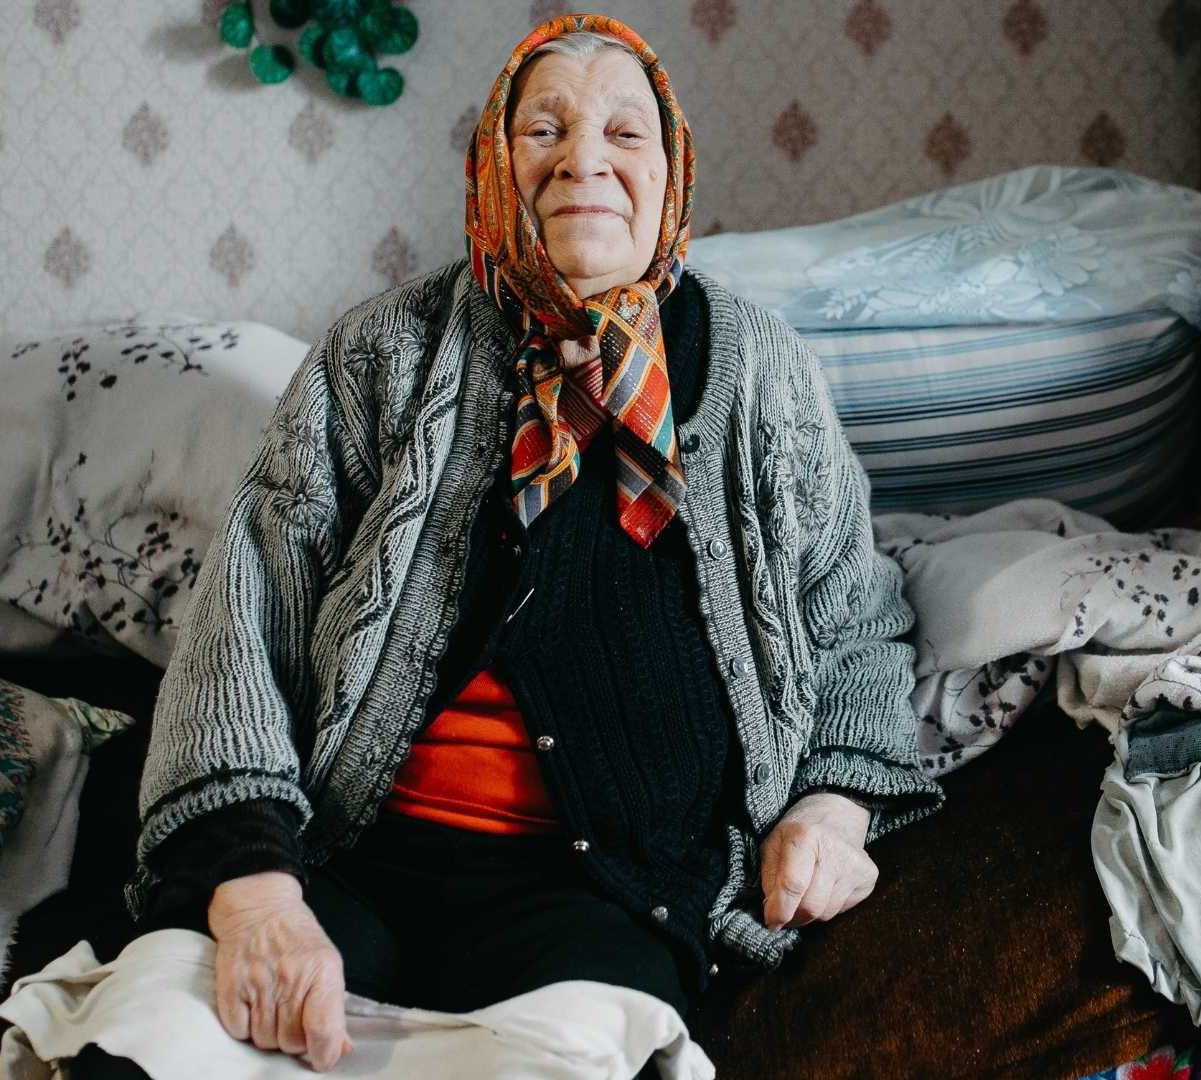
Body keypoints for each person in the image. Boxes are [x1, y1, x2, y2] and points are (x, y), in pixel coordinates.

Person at [128, 13, 943, 1073]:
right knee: (156, 1043)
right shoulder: (383, 350)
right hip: (353, 857)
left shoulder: (759, 367)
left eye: (625, 133)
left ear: (675, 171)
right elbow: (242, 612)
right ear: (493, 167)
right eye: (543, 129)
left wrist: (833, 809)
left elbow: (860, 622)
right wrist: (257, 891)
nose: (583, 161)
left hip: (614, 887)